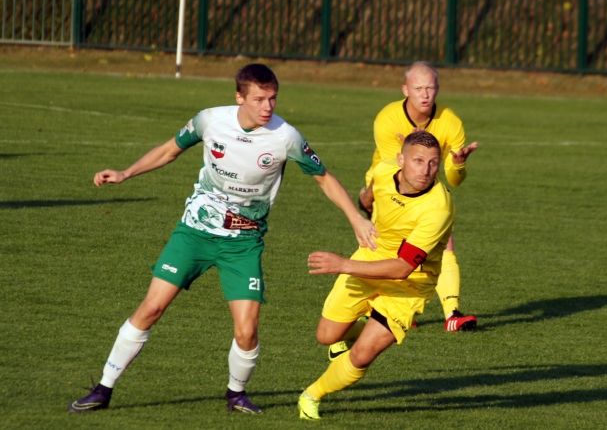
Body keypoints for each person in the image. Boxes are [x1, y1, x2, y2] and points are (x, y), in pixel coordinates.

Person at [68, 63, 376, 415]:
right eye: (259, 99)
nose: (268, 107)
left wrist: (355, 218)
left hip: (243, 242)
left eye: (273, 99)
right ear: (239, 97)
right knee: (151, 308)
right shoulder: (210, 120)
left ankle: (236, 394)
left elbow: (324, 178)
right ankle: (103, 389)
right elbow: (170, 149)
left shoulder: (285, 137)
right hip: (195, 231)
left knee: (247, 330)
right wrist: (125, 173)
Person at [298, 130, 454, 420]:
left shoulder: (438, 208)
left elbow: (402, 268)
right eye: (418, 161)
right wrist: (364, 211)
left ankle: (311, 395)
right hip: (369, 258)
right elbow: (368, 196)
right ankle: (361, 322)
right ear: (400, 160)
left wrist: (343, 265)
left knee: (361, 355)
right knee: (326, 336)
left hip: (410, 285)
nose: (426, 170)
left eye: (433, 162)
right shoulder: (383, 170)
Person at [358, 61, 478, 332]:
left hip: (427, 185)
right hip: (386, 183)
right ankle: (378, 308)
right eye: (418, 88)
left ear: (438, 89)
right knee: (389, 245)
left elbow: (454, 182)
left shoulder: (451, 122)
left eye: (430, 88)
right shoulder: (388, 118)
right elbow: (395, 171)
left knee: (444, 240)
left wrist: (457, 164)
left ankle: (452, 314)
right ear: (405, 89)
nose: (425, 94)